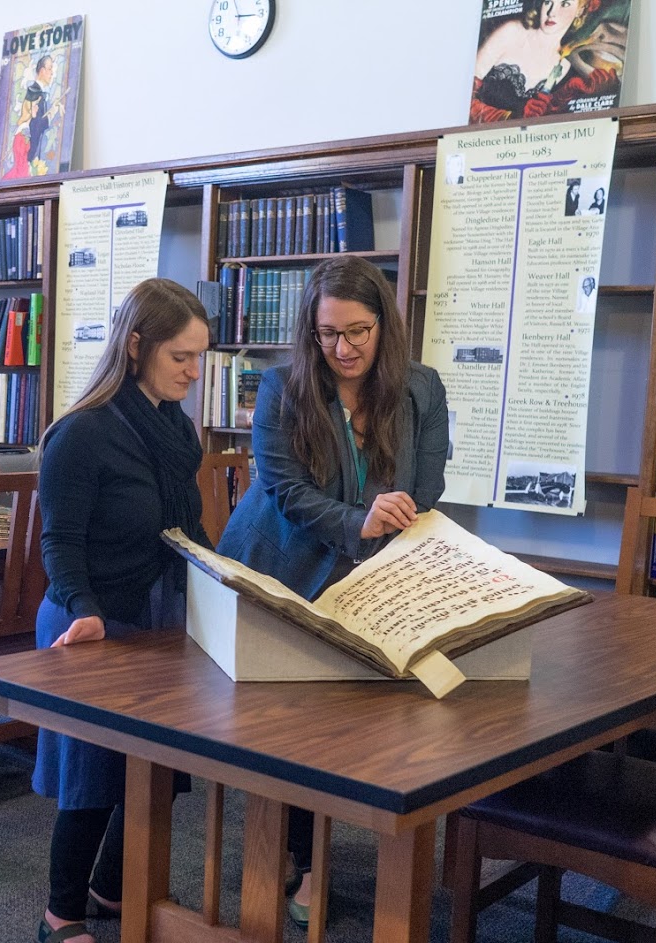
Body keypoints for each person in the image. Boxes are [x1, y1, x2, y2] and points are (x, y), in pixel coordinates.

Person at [215, 256, 449, 927]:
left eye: (358, 332)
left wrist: (393, 521)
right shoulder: (281, 387)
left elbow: (425, 492)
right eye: (326, 334)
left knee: (344, 727)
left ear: (385, 327)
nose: (341, 349)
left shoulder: (422, 391)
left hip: (366, 574)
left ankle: (308, 856)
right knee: (288, 725)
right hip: (280, 565)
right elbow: (288, 493)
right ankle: (293, 855)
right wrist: (359, 520)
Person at [33, 277, 211, 943]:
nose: (194, 373)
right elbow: (61, 541)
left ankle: (110, 887)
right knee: (94, 780)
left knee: (158, 772)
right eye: (181, 357)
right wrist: (85, 609)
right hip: (91, 622)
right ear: (136, 345)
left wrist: (235, 587)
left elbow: (187, 529)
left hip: (156, 616)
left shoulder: (174, 429)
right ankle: (61, 915)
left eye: (200, 357)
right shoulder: (81, 433)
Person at [471, 0, 618, 123]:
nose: (551, 12)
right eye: (548, 2)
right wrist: (511, 117)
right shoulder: (512, 32)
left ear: (581, 10)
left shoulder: (566, 69)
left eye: (565, 3)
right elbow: (464, 99)